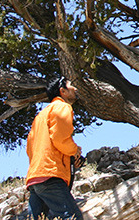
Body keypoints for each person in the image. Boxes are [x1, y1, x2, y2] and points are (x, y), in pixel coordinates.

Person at [25, 76, 84, 220]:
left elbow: (30, 147)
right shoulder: (62, 107)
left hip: (36, 177)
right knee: (72, 217)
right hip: (51, 176)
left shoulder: (40, 115)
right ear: (62, 91)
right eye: (71, 85)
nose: (75, 88)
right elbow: (59, 139)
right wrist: (74, 151)